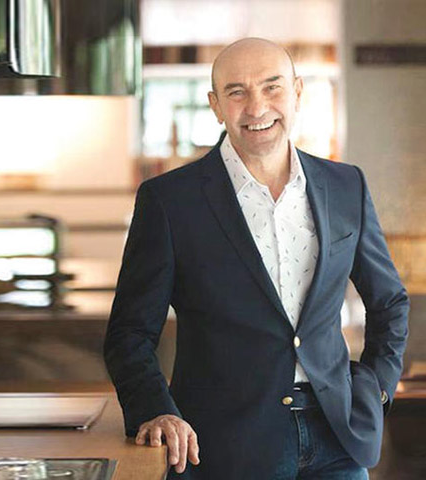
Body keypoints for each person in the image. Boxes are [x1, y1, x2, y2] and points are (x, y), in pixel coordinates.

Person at [102, 38, 409, 479]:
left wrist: (376, 389)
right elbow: (130, 332)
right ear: (215, 105)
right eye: (237, 92)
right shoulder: (169, 201)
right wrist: (155, 410)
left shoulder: (346, 185)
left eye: (272, 87)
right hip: (223, 446)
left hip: (338, 439)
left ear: (297, 92)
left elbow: (389, 302)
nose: (257, 107)